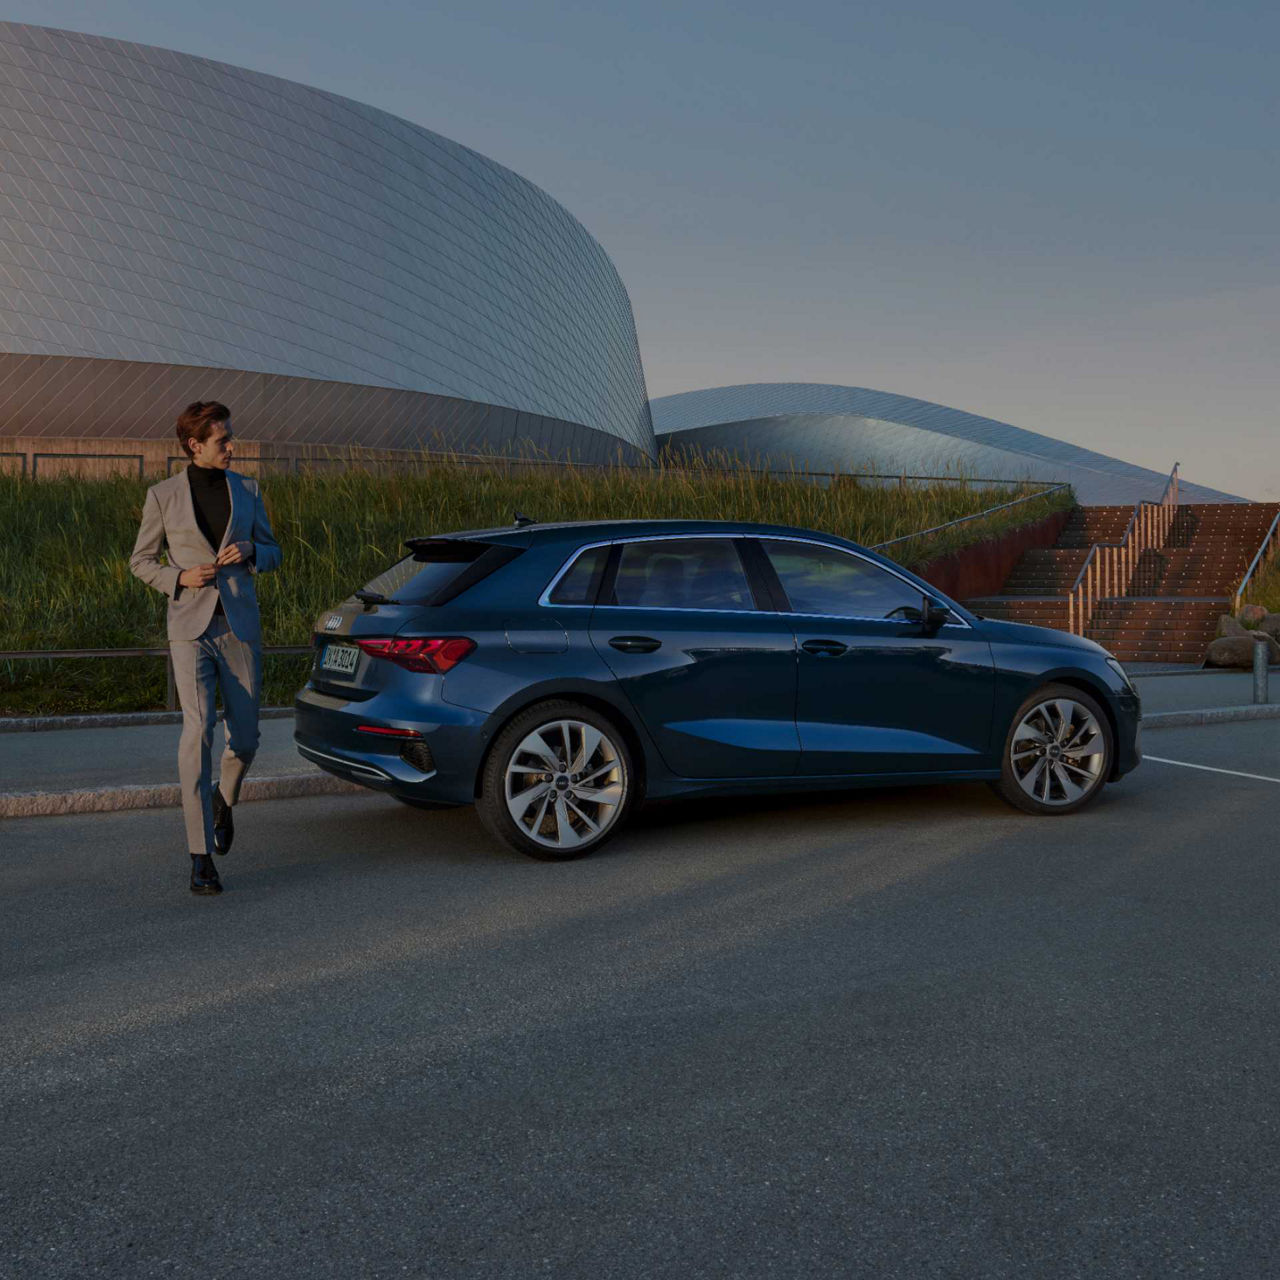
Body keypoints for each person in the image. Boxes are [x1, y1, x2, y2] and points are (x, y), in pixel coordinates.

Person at [129, 402, 282, 895]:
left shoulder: (249, 490)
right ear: (195, 445)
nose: (233, 447)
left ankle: (224, 798)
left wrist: (255, 551)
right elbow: (141, 561)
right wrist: (179, 577)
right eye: (223, 441)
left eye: (231, 438)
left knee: (248, 740)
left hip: (239, 628)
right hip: (189, 630)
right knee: (197, 735)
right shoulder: (163, 496)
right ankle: (200, 856)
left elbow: (275, 552)